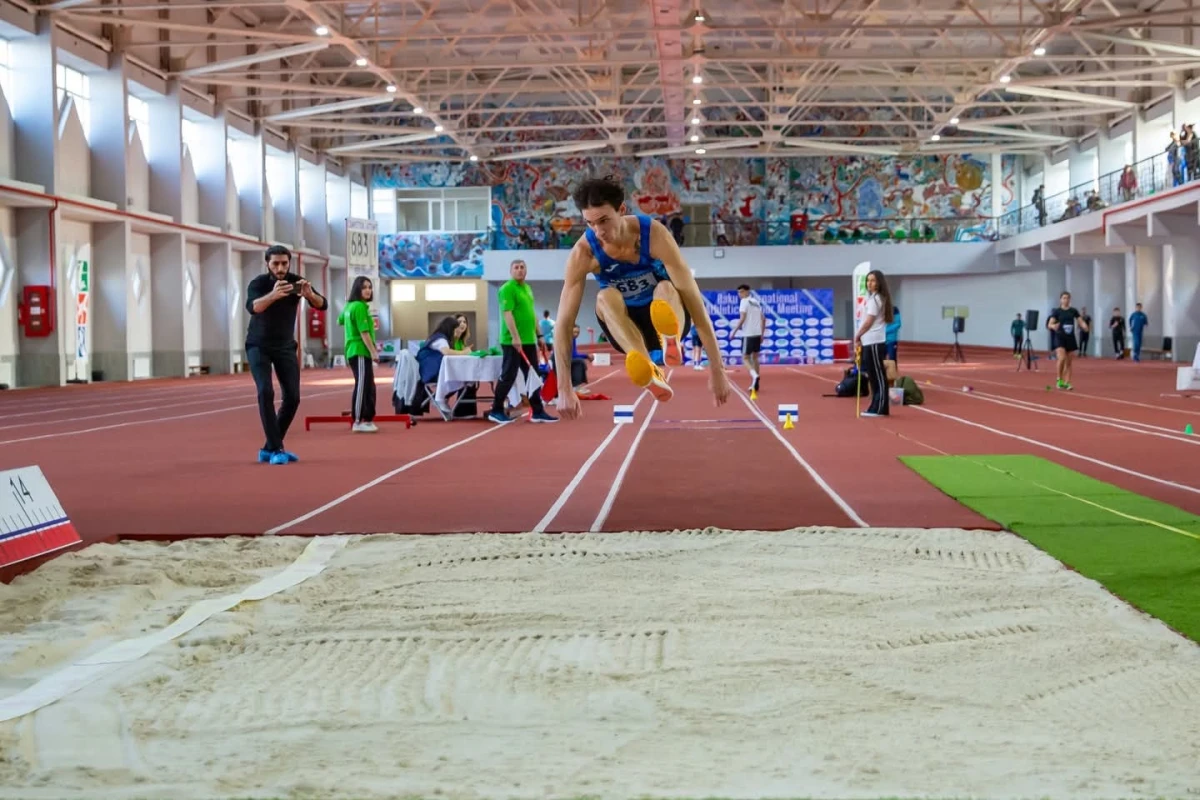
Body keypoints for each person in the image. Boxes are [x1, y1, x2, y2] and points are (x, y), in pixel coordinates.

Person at [552, 176, 731, 419]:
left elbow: (694, 303)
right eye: (590, 223)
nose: (599, 231)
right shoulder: (584, 253)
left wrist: (717, 369)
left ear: (622, 210)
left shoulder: (654, 235)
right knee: (605, 297)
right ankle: (648, 367)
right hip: (626, 325)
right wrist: (564, 388)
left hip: (669, 313)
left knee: (665, 288)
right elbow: (563, 323)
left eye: (604, 220)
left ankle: (671, 340)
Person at [244, 244, 327, 464]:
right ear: (267, 264)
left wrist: (309, 294)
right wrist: (273, 295)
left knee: (293, 397)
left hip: (285, 346)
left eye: (284, 263)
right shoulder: (258, 284)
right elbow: (253, 307)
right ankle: (277, 449)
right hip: (258, 346)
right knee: (265, 391)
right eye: (276, 263)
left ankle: (269, 448)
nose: (280, 267)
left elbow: (322, 304)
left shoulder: (297, 282)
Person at [489, 259, 558, 424]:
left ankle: (537, 411)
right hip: (512, 341)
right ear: (511, 271)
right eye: (516, 267)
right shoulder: (507, 289)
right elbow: (508, 314)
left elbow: (532, 313)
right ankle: (496, 410)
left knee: (532, 376)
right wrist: (515, 337)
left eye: (522, 267)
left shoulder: (527, 288)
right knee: (508, 375)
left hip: (528, 340)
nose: (520, 270)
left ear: (526, 270)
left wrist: (540, 335)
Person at [337, 276, 379, 433]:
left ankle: (366, 418)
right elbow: (364, 332)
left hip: (355, 350)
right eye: (364, 287)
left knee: (368, 384)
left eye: (369, 287)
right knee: (362, 385)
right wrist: (373, 351)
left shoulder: (349, 307)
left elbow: (339, 321)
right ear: (357, 289)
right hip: (359, 350)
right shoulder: (359, 307)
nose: (368, 290)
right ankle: (358, 420)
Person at [852, 269, 894, 417]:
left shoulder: (876, 300)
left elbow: (868, 322)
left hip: (875, 342)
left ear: (879, 283)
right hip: (869, 342)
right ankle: (875, 405)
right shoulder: (872, 298)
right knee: (873, 375)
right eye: (868, 280)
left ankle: (881, 407)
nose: (869, 283)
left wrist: (858, 335)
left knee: (878, 375)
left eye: (873, 280)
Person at [1046, 291, 1087, 390]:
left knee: (1068, 362)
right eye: (1064, 298)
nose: (1066, 300)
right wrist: (1053, 326)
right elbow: (1049, 324)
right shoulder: (1057, 311)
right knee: (1062, 358)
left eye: (1067, 298)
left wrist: (1085, 326)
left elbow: (1080, 321)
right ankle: (1059, 379)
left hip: (1070, 338)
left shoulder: (1073, 311)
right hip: (1060, 337)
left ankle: (1067, 382)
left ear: (1070, 299)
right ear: (1060, 300)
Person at [729, 284, 765, 392]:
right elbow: (763, 319)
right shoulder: (756, 302)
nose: (739, 295)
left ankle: (754, 376)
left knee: (745, 358)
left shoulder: (744, 302)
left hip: (748, 334)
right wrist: (762, 334)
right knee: (754, 358)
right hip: (757, 334)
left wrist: (734, 331)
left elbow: (742, 318)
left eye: (741, 292)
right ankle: (756, 383)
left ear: (747, 292)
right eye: (738, 292)